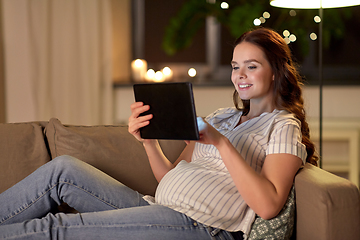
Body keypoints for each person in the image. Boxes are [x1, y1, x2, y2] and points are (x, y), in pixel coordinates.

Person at [0, 28, 317, 240]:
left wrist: (222, 144)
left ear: (276, 71)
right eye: (235, 67)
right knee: (62, 170)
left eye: (251, 66)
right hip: (158, 209)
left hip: (202, 228)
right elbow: (170, 176)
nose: (240, 76)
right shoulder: (223, 116)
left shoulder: (282, 125)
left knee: (56, 228)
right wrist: (149, 144)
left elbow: (269, 205)